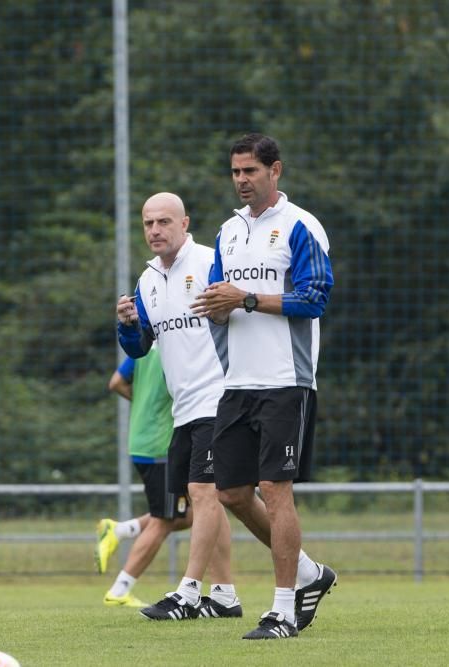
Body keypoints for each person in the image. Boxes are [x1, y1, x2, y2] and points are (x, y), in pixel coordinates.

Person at [190, 133, 336, 640]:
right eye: (235, 172)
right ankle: (310, 574)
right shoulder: (228, 232)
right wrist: (216, 305)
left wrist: (246, 298)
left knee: (275, 489)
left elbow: (315, 298)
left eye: (250, 171)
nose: (241, 180)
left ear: (276, 171)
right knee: (230, 492)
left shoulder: (301, 226)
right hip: (238, 385)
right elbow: (217, 300)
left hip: (285, 383)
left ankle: (283, 610)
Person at [117, 191, 241, 621]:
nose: (155, 230)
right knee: (204, 496)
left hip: (220, 397)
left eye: (164, 222)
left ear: (184, 223)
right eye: (148, 223)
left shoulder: (210, 262)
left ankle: (188, 592)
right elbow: (139, 348)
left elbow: (242, 314)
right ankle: (225, 595)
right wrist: (128, 326)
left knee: (206, 493)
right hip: (183, 407)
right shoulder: (147, 279)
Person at [96, 346, 190, 608]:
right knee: (165, 519)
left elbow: (116, 382)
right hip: (162, 445)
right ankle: (120, 589)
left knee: (190, 514)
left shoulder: (146, 347)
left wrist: (143, 404)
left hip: (141, 440)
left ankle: (121, 529)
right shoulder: (177, 348)